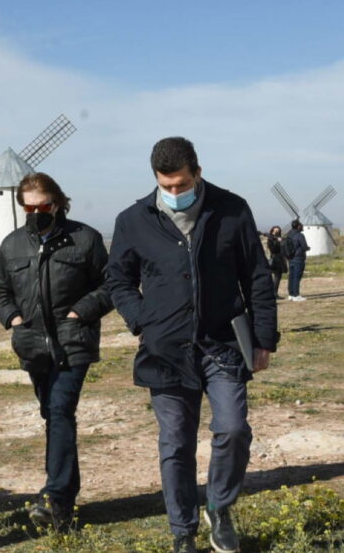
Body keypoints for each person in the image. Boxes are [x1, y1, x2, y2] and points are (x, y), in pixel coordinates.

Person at [106, 137, 278, 553]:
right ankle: (182, 534)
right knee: (176, 444)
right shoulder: (133, 220)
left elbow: (256, 276)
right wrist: (140, 319)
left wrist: (264, 338)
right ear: (156, 180)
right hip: (165, 349)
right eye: (167, 186)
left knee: (234, 429)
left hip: (222, 343)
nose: (175, 194)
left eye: (182, 185)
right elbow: (119, 279)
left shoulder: (232, 210)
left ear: (198, 173)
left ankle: (219, 507)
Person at [0, 173, 112, 530]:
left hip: (73, 343)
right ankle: (65, 497)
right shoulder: (11, 245)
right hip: (32, 345)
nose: (36, 212)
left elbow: (110, 286)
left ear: (57, 202)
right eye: (28, 207)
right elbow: (1, 291)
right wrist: (13, 320)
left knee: (60, 410)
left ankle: (54, 497)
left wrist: (80, 314)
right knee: (52, 414)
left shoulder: (84, 239)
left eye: (43, 205)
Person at [285, 219, 310, 301]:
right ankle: (296, 295)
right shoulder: (300, 235)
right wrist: (308, 248)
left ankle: (291, 294)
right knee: (297, 277)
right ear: (298, 226)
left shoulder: (289, 234)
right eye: (301, 225)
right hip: (298, 258)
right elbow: (304, 246)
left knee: (291, 276)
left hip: (290, 258)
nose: (302, 226)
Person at [266, 226, 287, 299]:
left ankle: (275, 293)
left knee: (278, 276)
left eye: (278, 231)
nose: (276, 233)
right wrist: (277, 241)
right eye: (275, 231)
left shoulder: (279, 238)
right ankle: (274, 294)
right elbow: (273, 249)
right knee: (277, 276)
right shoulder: (271, 239)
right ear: (272, 231)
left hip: (280, 259)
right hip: (275, 260)